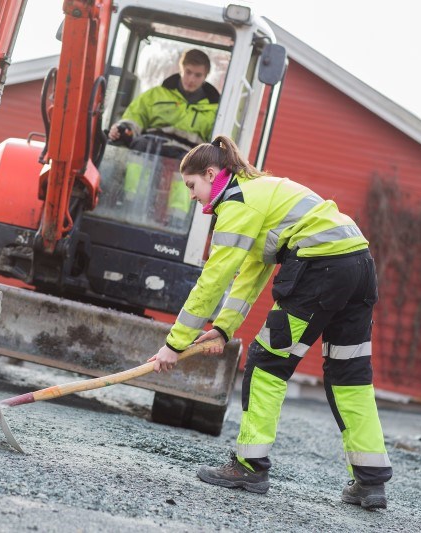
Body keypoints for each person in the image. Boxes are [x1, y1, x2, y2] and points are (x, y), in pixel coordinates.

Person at [148, 135, 392, 510]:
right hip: (359, 265)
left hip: (322, 267)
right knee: (350, 373)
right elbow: (251, 273)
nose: (192, 196)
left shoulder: (238, 202)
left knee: (267, 364)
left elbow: (213, 278)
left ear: (212, 174)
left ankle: (249, 465)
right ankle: (371, 482)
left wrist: (174, 344)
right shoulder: (260, 192)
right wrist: (224, 327)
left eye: (192, 186)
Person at [108, 49, 220, 159]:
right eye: (188, 72)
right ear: (181, 69)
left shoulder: (215, 112)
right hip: (148, 147)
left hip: (186, 157)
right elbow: (136, 116)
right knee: (137, 145)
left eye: (198, 75)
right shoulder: (155, 95)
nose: (191, 79)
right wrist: (123, 128)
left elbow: (216, 146)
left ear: (205, 76)